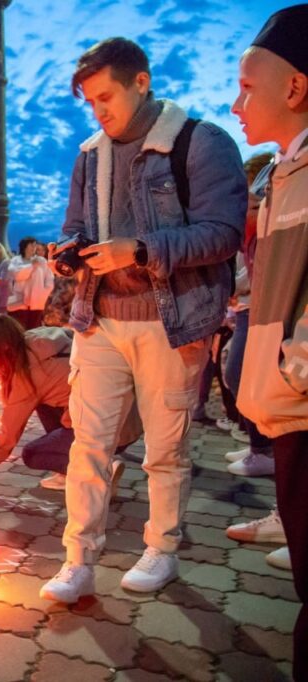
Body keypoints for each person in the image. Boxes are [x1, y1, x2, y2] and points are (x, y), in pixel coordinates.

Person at [40, 37, 246, 604]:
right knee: (88, 443)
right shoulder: (90, 155)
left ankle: (163, 548)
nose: (99, 110)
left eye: (106, 96)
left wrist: (139, 249)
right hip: (100, 315)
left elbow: (223, 233)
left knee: (165, 447)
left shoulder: (200, 143)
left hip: (171, 319)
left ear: (142, 82)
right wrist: (69, 250)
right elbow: (75, 222)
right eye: (89, 102)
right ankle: (78, 558)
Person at [231, 7, 308, 675]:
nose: (235, 105)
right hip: (289, 405)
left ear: (296, 87)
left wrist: (295, 369)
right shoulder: (286, 170)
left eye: (247, 87)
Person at [0, 316, 138, 491]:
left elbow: (7, 439)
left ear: (1, 348)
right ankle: (71, 468)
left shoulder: (26, 377)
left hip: (109, 430)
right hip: (130, 416)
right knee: (43, 402)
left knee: (33, 454)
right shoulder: (42, 336)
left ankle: (100, 469)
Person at [221, 153, 275, 477]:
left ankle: (264, 448)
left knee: (238, 374)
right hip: (246, 305)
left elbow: (254, 266)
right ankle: (260, 444)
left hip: (256, 304)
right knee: (239, 374)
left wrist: (231, 285)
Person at [6, 236, 54, 330]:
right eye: (31, 244)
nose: (34, 247)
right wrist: (31, 266)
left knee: (34, 330)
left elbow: (49, 280)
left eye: (35, 245)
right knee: (19, 329)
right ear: (24, 246)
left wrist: (42, 295)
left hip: (37, 303)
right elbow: (17, 276)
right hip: (19, 303)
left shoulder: (41, 261)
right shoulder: (16, 260)